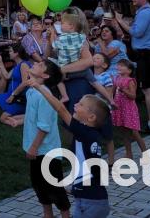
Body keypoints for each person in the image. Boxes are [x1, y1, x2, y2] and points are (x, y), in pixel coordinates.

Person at [31, 85, 112, 218]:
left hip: (90, 203)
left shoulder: (85, 133)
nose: (75, 105)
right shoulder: (90, 134)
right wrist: (75, 188)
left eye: (81, 104)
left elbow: (61, 109)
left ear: (91, 117)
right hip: (92, 200)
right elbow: (90, 169)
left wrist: (39, 87)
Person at [115, 0, 150, 134]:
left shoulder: (144, 13)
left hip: (146, 55)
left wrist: (120, 21)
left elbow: (136, 32)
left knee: (148, 90)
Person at [22, 60, 69, 218]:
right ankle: (47, 215)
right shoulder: (31, 91)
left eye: (40, 65)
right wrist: (18, 120)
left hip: (47, 151)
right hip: (37, 150)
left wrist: (33, 147)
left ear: (45, 76)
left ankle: (66, 215)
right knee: (39, 186)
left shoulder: (44, 96)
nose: (35, 63)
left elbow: (44, 126)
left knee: (55, 188)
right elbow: (33, 116)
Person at [112, 60, 147, 161]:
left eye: (122, 66)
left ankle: (145, 154)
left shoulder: (130, 81)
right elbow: (113, 92)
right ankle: (129, 154)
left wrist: (124, 90)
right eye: (118, 65)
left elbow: (133, 96)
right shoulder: (117, 78)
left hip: (128, 109)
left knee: (134, 132)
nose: (119, 67)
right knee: (124, 132)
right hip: (120, 108)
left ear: (129, 70)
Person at [0, 44, 33, 128]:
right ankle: (18, 114)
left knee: (2, 119)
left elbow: (25, 83)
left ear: (16, 53)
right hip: (11, 95)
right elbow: (7, 76)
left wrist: (13, 95)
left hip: (19, 97)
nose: (9, 53)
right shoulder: (17, 65)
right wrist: (0, 62)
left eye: (10, 51)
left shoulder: (24, 65)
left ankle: (23, 115)